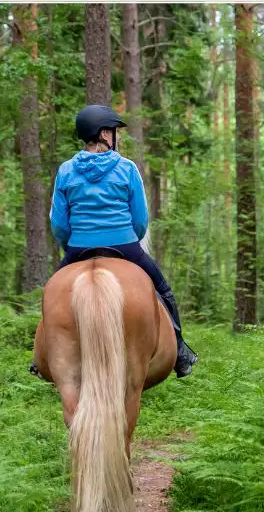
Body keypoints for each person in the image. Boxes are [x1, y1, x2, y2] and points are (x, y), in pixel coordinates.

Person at [38, 104, 197, 378]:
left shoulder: (65, 170)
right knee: (164, 290)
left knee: (51, 298)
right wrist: (129, 240)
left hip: (78, 247)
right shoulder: (127, 168)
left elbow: (59, 224)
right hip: (124, 246)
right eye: (113, 131)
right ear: (103, 134)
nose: (116, 136)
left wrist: (70, 245)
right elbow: (140, 219)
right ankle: (181, 352)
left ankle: (41, 356)